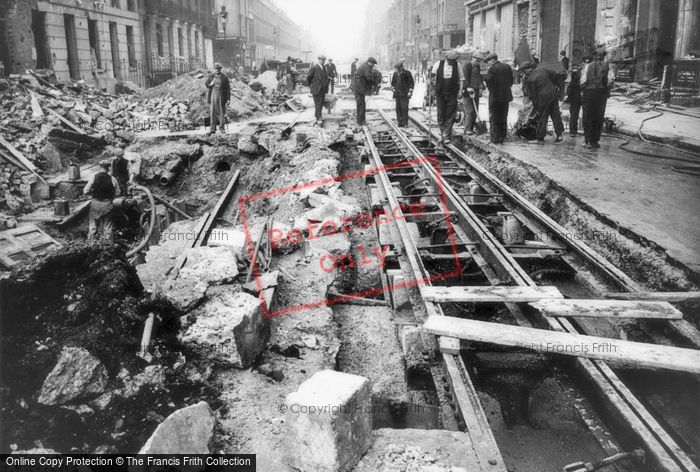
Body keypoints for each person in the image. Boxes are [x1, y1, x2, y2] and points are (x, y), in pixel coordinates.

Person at [581, 46, 615, 148]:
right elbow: (611, 80)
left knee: (587, 117)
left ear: (594, 56)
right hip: (601, 94)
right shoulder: (608, 66)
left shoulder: (587, 66)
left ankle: (587, 141)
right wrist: (606, 88)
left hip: (588, 93)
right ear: (603, 57)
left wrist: (584, 90)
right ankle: (594, 141)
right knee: (598, 116)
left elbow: (582, 81)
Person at [521, 61, 564, 143]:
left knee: (542, 117)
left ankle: (540, 138)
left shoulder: (530, 79)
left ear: (526, 70)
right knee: (556, 115)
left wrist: (536, 109)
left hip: (543, 99)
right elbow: (554, 75)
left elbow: (533, 95)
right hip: (553, 95)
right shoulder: (542, 69)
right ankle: (559, 136)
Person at [431, 49, 464, 144]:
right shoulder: (438, 64)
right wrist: (434, 87)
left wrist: (460, 91)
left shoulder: (457, 65)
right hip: (440, 92)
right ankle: (443, 134)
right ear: (446, 58)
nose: (451, 62)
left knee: (451, 114)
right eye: (450, 60)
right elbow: (432, 77)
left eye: (453, 60)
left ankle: (446, 135)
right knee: (441, 113)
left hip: (452, 93)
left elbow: (461, 79)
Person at [83, 159, 120, 241]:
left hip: (95, 204)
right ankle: (108, 244)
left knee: (93, 225)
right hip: (107, 205)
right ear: (108, 168)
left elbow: (85, 191)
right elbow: (118, 193)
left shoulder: (93, 177)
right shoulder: (112, 179)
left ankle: (91, 242)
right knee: (108, 226)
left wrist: (91, 192)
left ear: (100, 167)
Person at [483, 53, 513, 144]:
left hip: (495, 96)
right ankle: (502, 136)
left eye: (488, 61)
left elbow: (487, 79)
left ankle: (495, 138)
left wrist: (491, 88)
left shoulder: (493, 68)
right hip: (506, 96)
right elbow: (511, 80)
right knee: (503, 116)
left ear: (492, 60)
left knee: (494, 116)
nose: (488, 64)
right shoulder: (507, 66)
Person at [462, 51, 484, 135]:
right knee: (470, 111)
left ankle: (471, 129)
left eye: (479, 61)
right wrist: (468, 88)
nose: (477, 62)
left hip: (476, 91)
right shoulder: (466, 66)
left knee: (475, 110)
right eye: (476, 60)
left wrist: (481, 88)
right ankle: (467, 129)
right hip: (468, 92)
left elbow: (480, 78)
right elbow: (464, 78)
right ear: (472, 58)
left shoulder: (477, 67)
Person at [205, 63, 230, 135]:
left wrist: (228, 99)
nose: (217, 70)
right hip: (213, 95)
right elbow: (206, 84)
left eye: (218, 69)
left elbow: (227, 89)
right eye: (215, 69)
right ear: (214, 69)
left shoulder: (224, 77)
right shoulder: (211, 76)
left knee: (221, 113)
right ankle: (212, 129)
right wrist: (211, 84)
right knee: (213, 112)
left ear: (220, 69)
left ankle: (222, 128)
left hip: (221, 96)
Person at [352, 57, 378, 126]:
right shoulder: (366, 67)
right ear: (370, 62)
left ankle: (362, 121)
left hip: (359, 88)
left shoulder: (364, 65)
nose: (373, 66)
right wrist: (374, 75)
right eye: (373, 64)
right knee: (361, 105)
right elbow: (368, 77)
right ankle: (360, 122)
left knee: (362, 104)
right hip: (358, 89)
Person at [307, 54, 330, 126]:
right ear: (318, 60)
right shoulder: (314, 68)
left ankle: (318, 116)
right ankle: (318, 117)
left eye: (323, 60)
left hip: (322, 89)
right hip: (316, 89)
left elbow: (326, 77)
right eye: (321, 60)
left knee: (320, 103)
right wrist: (312, 85)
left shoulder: (324, 68)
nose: (322, 61)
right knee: (318, 104)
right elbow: (308, 77)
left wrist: (326, 84)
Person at [391, 60, 414, 127]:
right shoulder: (395, 74)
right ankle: (399, 122)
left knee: (404, 108)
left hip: (405, 94)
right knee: (398, 108)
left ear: (400, 68)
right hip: (397, 94)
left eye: (397, 68)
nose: (396, 70)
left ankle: (405, 123)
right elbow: (393, 83)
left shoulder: (407, 73)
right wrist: (393, 88)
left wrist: (410, 91)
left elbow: (411, 83)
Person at [564, 67, 582, 137]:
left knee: (573, 116)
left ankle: (573, 131)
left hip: (573, 101)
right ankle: (573, 131)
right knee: (575, 116)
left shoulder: (571, 84)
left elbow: (567, 94)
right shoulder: (577, 84)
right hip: (577, 101)